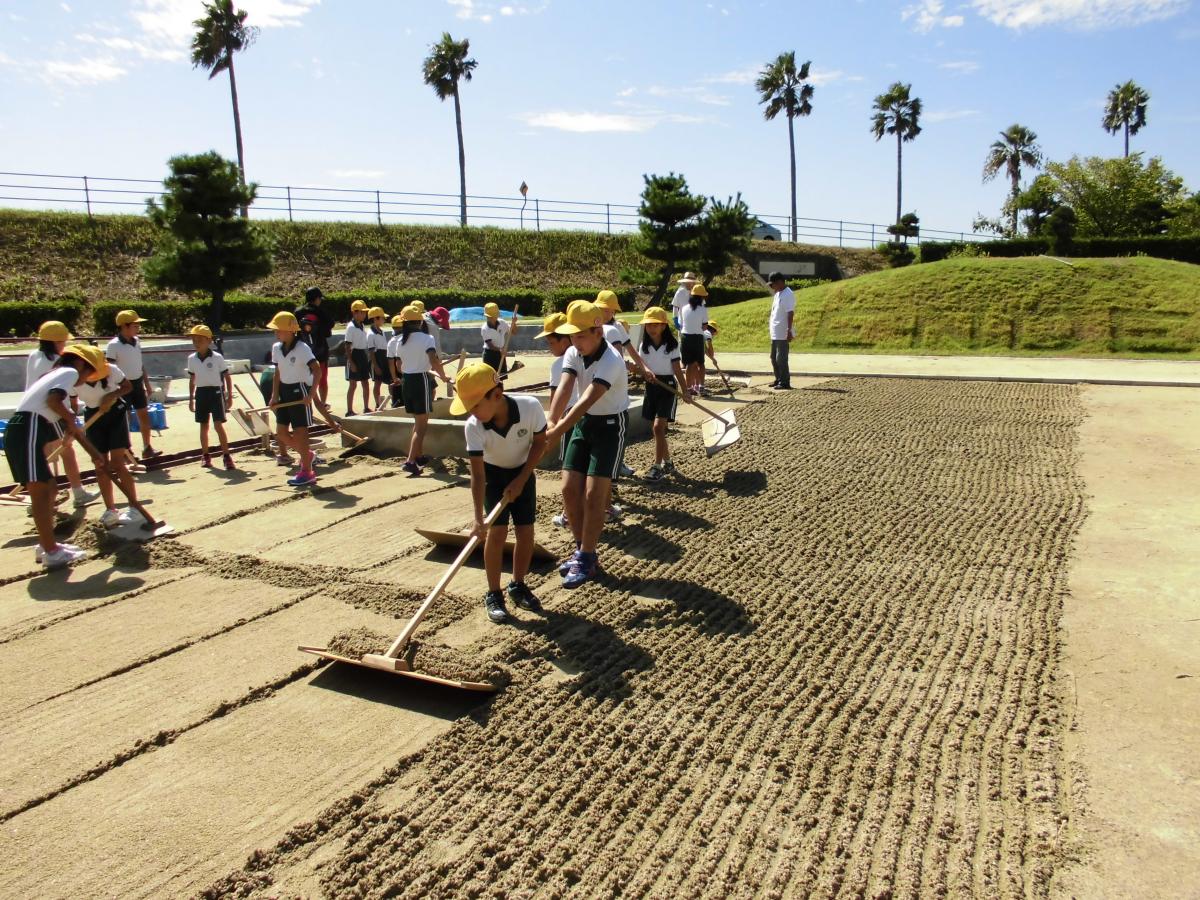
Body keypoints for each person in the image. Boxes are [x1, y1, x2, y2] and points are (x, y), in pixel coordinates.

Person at [450, 363, 548, 624]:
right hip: (492, 478)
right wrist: (478, 519)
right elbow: (478, 475)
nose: (471, 412)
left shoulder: (530, 407)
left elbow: (540, 443)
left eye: (475, 405)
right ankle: (494, 594)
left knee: (526, 532)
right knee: (496, 534)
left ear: (496, 394)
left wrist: (522, 479)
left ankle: (518, 585)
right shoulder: (474, 426)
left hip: (523, 472)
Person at [545, 301, 629, 588]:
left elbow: (586, 400)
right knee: (569, 489)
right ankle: (582, 551)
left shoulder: (612, 360)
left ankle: (587, 555)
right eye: (572, 336)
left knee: (594, 495)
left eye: (581, 336)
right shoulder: (573, 352)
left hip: (609, 426)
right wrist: (551, 421)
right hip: (583, 424)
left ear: (598, 332)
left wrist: (557, 431)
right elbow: (566, 386)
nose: (576, 342)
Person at [5, 345, 109, 569]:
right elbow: (54, 402)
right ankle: (50, 551)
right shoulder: (68, 372)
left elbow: (54, 411)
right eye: (89, 374)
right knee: (41, 491)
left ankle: (47, 544)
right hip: (28, 429)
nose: (85, 380)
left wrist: (90, 449)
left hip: (28, 429)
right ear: (80, 364)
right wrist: (69, 416)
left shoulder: (51, 375)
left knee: (50, 488)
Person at [26, 320, 99, 509]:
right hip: (53, 412)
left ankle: (40, 498)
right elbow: (58, 394)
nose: (64, 345)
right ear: (55, 342)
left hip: (36, 411)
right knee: (67, 451)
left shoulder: (34, 355)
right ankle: (77, 493)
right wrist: (69, 416)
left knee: (43, 456)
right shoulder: (56, 362)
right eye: (63, 342)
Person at [74, 355, 145, 529]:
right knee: (101, 466)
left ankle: (134, 507)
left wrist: (112, 395)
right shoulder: (73, 380)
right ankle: (110, 509)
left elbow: (128, 386)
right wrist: (71, 424)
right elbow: (72, 403)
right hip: (93, 417)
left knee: (117, 463)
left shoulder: (111, 370)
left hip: (116, 413)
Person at [594, 289, 650, 480]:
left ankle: (618, 463)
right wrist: (626, 365)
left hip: (615, 381)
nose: (607, 313)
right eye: (604, 309)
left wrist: (644, 368)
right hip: (596, 378)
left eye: (610, 310)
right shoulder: (591, 325)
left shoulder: (616, 327)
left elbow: (629, 351)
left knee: (617, 426)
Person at [393, 305, 450, 476]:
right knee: (422, 426)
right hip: (421, 380)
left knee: (417, 422)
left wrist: (411, 367)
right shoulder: (427, 339)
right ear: (420, 322)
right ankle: (410, 461)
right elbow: (433, 360)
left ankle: (418, 456)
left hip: (407, 381)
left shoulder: (400, 341)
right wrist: (443, 376)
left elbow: (398, 365)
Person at [267, 312, 322, 488]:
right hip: (284, 391)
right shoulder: (276, 348)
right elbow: (277, 373)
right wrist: (274, 395)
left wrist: (311, 394)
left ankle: (307, 472)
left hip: (300, 390)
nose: (276, 333)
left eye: (279, 329)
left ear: (291, 330)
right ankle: (307, 455)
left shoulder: (302, 348)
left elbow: (317, 370)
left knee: (300, 432)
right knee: (281, 433)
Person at [637, 307, 692, 481]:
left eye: (655, 325)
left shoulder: (671, 345)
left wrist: (685, 391)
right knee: (657, 430)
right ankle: (668, 463)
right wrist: (642, 373)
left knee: (658, 428)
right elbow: (642, 368)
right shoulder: (644, 346)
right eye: (648, 325)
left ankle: (657, 466)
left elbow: (677, 369)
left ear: (663, 326)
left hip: (667, 387)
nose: (651, 328)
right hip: (651, 386)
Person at [105, 309, 162, 459]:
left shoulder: (137, 342)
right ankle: (126, 451)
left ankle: (147, 447)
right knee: (124, 419)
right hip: (122, 386)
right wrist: (113, 390)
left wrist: (147, 384)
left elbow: (140, 364)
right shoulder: (113, 345)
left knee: (144, 415)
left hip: (137, 384)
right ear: (124, 326)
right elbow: (110, 369)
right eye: (135, 326)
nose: (138, 328)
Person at [185, 324, 235, 470]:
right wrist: (191, 399)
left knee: (218, 425)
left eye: (200, 340)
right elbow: (192, 379)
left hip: (216, 392)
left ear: (208, 341)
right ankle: (205, 455)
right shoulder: (192, 359)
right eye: (194, 340)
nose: (196, 343)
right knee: (203, 425)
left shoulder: (217, 357)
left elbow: (227, 376)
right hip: (201, 393)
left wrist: (229, 396)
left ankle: (226, 455)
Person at [295, 286, 334, 405]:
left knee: (304, 378)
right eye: (320, 299)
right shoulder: (320, 312)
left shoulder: (298, 312)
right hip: (320, 350)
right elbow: (330, 325)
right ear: (317, 299)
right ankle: (323, 403)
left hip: (303, 351)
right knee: (322, 379)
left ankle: (305, 402)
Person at [679, 283, 710, 395]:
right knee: (701, 363)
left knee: (689, 364)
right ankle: (701, 387)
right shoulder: (703, 309)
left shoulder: (684, 308)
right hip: (697, 337)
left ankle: (689, 388)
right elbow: (705, 326)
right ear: (701, 298)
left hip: (685, 337)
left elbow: (682, 323)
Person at [767, 271, 795, 390]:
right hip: (775, 332)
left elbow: (790, 313)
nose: (771, 286)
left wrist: (789, 330)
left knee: (781, 359)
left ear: (779, 282)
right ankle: (778, 379)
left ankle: (785, 382)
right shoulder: (778, 294)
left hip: (783, 331)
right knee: (773, 358)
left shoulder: (788, 294)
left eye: (772, 284)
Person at [343, 299, 372, 415]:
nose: (364, 314)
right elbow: (347, 346)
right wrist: (351, 362)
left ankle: (366, 407)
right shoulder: (351, 327)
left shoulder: (361, 325)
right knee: (353, 384)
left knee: (365, 382)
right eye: (362, 312)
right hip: (354, 355)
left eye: (365, 312)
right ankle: (349, 410)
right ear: (355, 313)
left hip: (362, 354)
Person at [367, 306, 390, 411]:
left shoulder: (382, 331)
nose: (384, 320)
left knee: (387, 380)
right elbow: (371, 351)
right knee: (377, 382)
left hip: (383, 357)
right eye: (382, 318)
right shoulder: (371, 334)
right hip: (376, 359)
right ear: (376, 318)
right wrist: (375, 366)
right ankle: (378, 404)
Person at [480, 302, 514, 374]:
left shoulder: (502, 323)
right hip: (490, 355)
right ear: (487, 317)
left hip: (500, 353)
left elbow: (512, 332)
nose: (492, 318)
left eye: (494, 316)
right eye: (490, 317)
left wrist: (514, 323)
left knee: (501, 376)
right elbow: (490, 345)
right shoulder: (485, 328)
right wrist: (500, 350)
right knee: (490, 377)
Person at [386, 313, 405, 408]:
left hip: (396, 372)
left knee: (397, 398)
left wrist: (394, 378)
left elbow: (390, 363)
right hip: (407, 369)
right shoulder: (406, 339)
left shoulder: (391, 342)